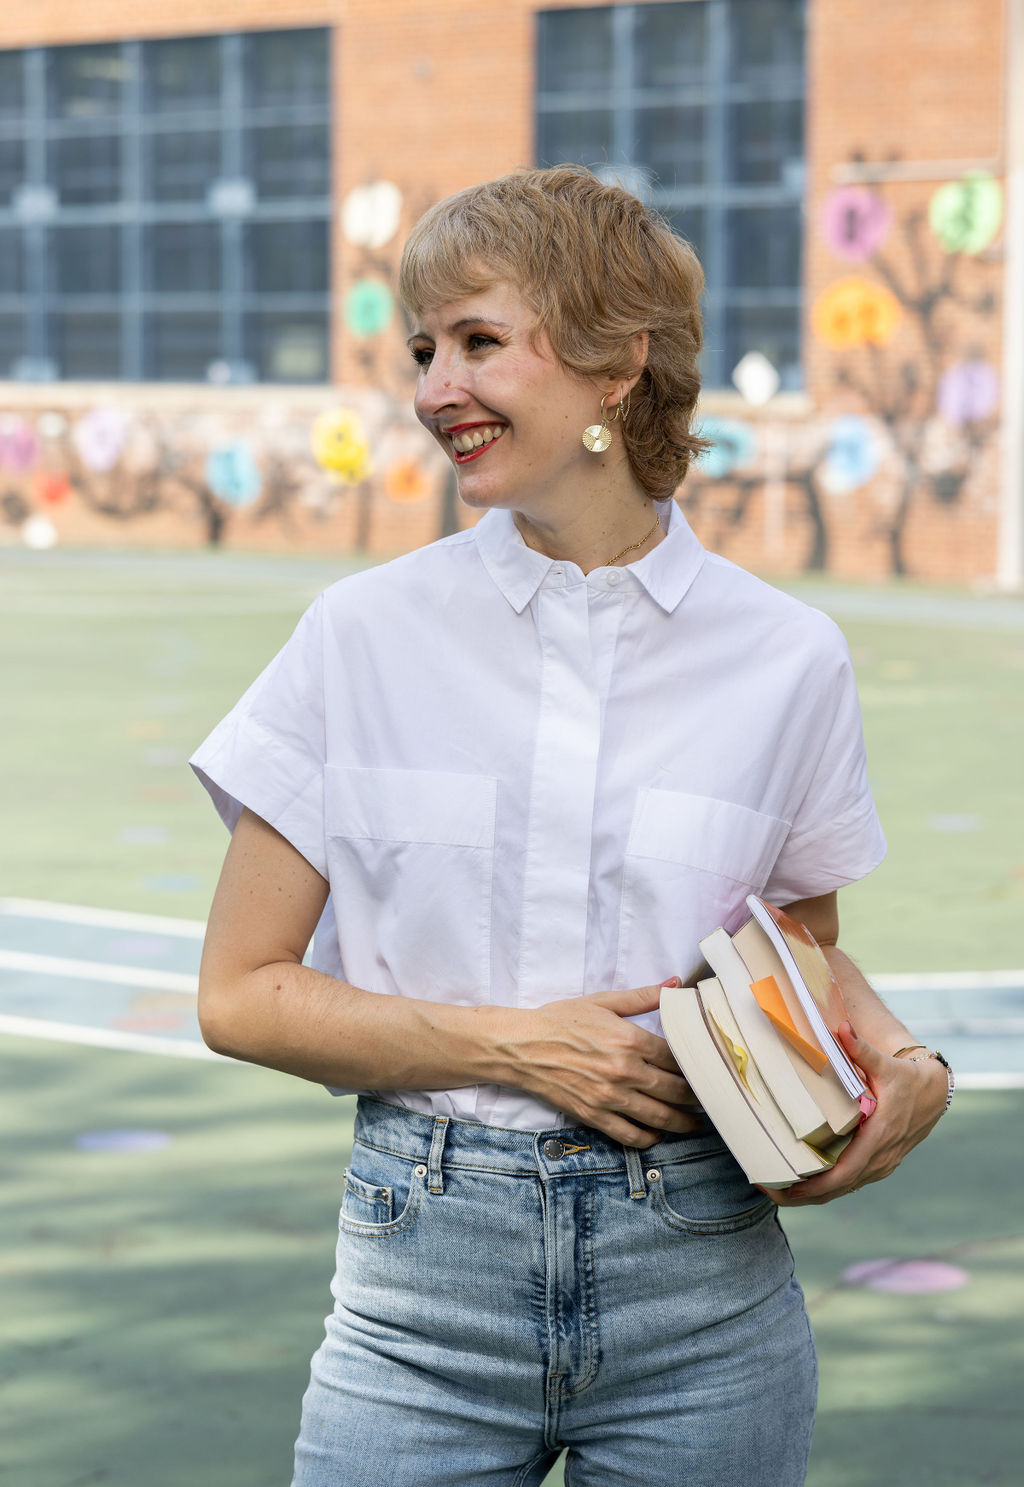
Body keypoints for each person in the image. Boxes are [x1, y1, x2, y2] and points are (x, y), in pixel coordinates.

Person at [191, 166, 951, 1487]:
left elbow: (779, 947)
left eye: (478, 342)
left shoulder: (790, 658)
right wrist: (516, 1049)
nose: (434, 390)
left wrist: (903, 1059)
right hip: (421, 1291)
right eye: (425, 351)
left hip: (706, 1290)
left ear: (614, 367)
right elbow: (240, 996)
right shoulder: (356, 639)